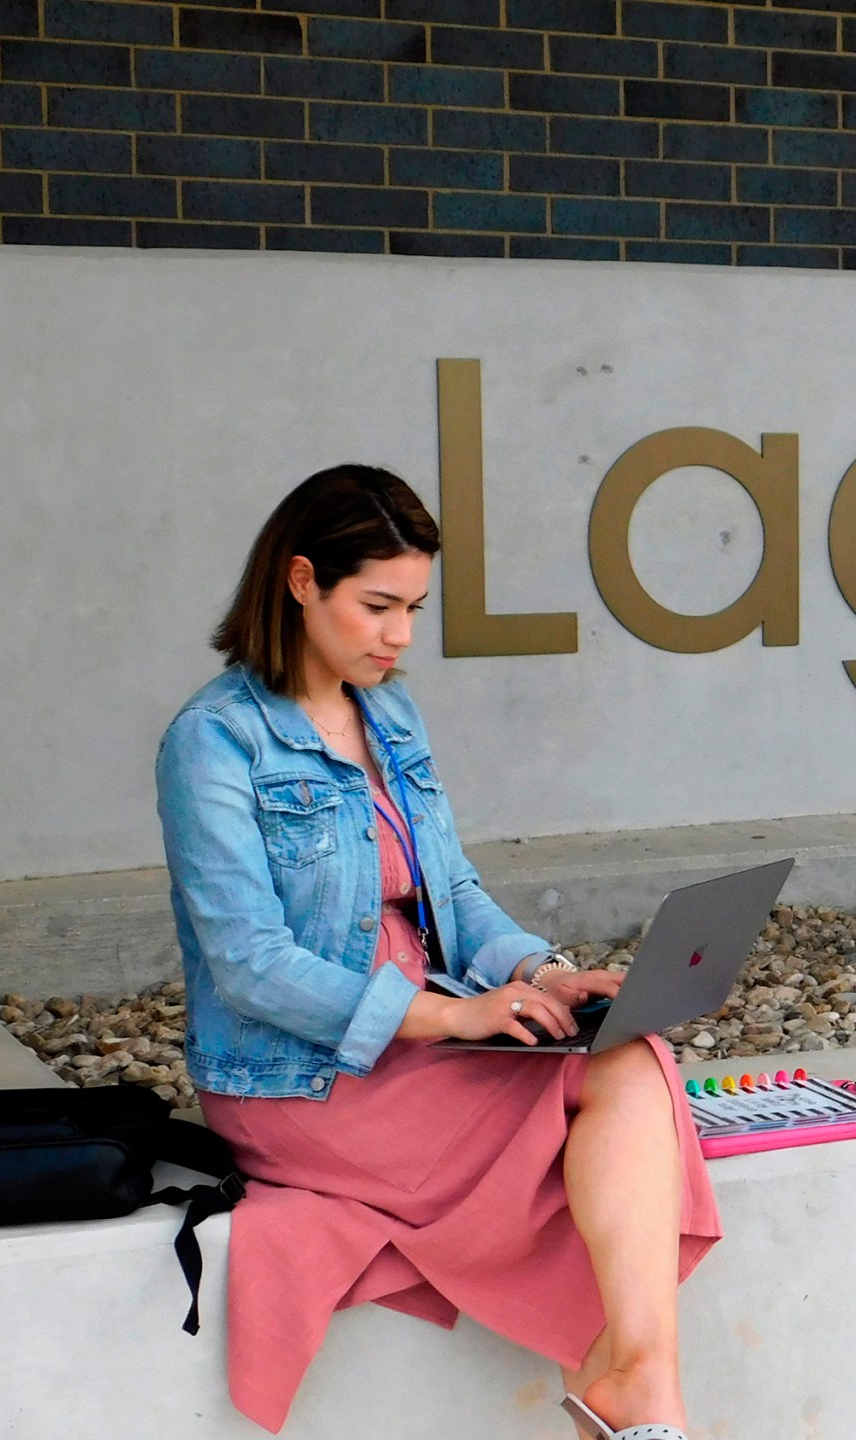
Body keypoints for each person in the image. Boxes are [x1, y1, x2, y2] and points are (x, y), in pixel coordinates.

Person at [154, 464, 717, 1440]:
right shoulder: (213, 742)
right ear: (299, 582)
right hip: (304, 1079)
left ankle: (639, 1383)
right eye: (377, 606)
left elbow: (451, 893)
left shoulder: (392, 715)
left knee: (628, 1051)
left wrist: (542, 974)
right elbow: (246, 960)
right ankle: (633, 1396)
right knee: (616, 1081)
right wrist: (451, 1016)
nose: (400, 636)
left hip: (421, 1042)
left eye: (413, 607)